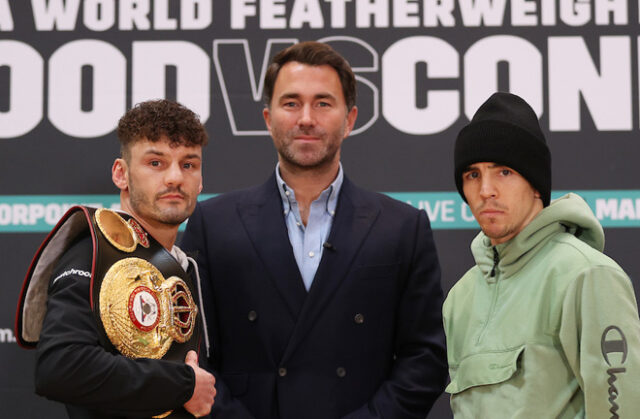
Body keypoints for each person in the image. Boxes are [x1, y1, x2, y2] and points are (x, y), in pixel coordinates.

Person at [181, 41, 447, 418]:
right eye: (291, 103)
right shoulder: (213, 224)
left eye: (323, 103)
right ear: (268, 118)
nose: (306, 117)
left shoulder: (402, 227)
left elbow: (426, 357)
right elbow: (193, 354)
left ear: (350, 119)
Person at [15, 99, 216, 418]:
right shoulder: (92, 252)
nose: (176, 178)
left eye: (188, 164)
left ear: (201, 179)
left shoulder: (184, 265)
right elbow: (60, 367)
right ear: (121, 174)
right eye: (156, 163)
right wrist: (184, 386)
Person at [443, 92, 640, 417]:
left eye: (503, 171)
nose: (485, 190)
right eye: (472, 174)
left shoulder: (587, 275)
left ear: (535, 183)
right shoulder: (459, 299)